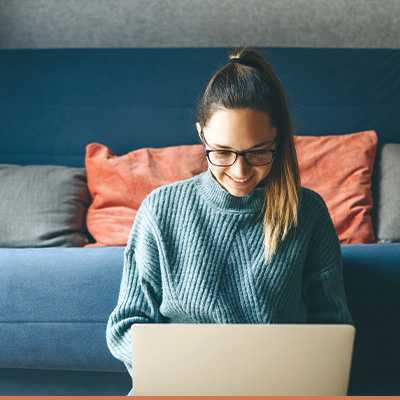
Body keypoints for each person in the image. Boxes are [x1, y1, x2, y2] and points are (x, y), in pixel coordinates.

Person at [106, 48, 354, 395]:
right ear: (201, 136)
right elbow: (126, 326)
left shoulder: (307, 213)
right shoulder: (159, 210)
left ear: (278, 140)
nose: (240, 171)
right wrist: (175, 374)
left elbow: (332, 326)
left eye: (257, 152)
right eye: (222, 152)